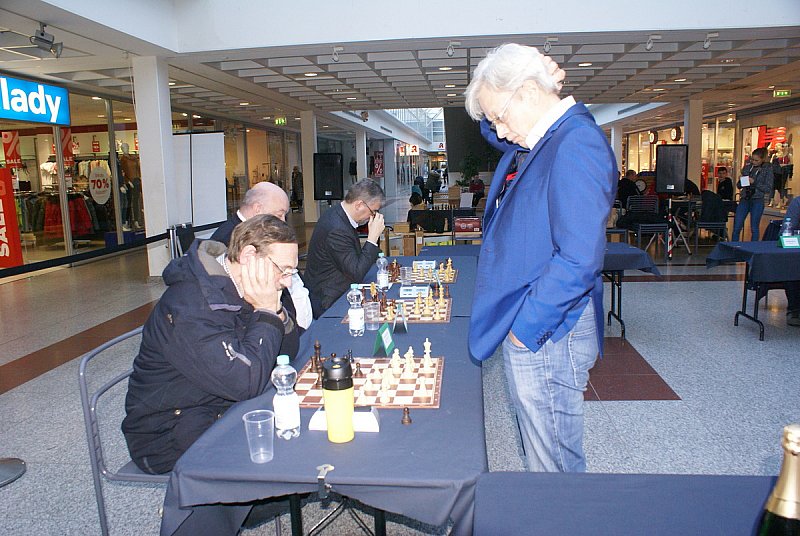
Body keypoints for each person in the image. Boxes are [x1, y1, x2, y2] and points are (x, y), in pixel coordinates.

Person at [464, 44, 615, 473]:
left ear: (529, 92)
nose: (499, 130)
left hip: (550, 330)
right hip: (542, 324)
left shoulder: (575, 142)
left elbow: (579, 258)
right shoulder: (542, 137)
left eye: (500, 116)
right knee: (540, 451)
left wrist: (524, 331)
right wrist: (500, 107)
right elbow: (497, 130)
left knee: (554, 465)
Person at [123, 215, 301, 474]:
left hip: (218, 406)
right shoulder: (190, 306)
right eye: (282, 270)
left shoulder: (243, 287)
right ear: (249, 256)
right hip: (167, 434)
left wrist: (277, 314)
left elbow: (286, 353)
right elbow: (244, 383)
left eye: (291, 272)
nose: (287, 281)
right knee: (288, 460)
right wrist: (265, 312)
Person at [211, 181, 312, 330]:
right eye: (279, 214)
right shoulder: (227, 240)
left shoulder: (261, 237)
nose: (283, 221)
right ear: (258, 209)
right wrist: (270, 309)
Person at [304, 179, 386, 317]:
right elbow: (356, 272)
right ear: (359, 205)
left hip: (336, 290)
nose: (372, 217)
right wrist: (372, 239)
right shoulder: (337, 229)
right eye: (373, 212)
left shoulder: (339, 214)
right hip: (329, 301)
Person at [732, 147, 774, 241]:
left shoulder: (767, 169)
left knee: (754, 227)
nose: (754, 162)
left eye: (756, 160)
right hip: (745, 198)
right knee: (737, 226)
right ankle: (734, 246)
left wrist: (754, 182)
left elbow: (768, 188)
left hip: (757, 200)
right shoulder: (747, 167)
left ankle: (753, 247)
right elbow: (739, 185)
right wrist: (742, 181)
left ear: (762, 159)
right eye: (752, 159)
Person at [784, 196, 800, 327]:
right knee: (792, 265)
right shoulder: (798, 202)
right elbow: (788, 229)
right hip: (796, 250)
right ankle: (794, 310)